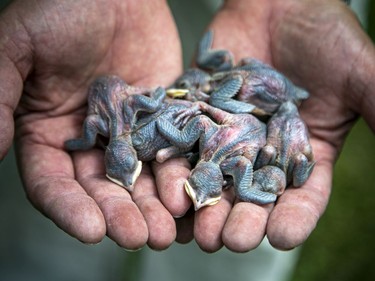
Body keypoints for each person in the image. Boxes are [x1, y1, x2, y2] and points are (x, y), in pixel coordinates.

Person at [0, 0, 373, 256]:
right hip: (235, 107)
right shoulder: (236, 156)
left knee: (240, 234)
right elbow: (201, 129)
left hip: (241, 99)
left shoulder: (235, 151)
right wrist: (178, 108)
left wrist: (196, 107)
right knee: (62, 228)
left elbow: (203, 127)